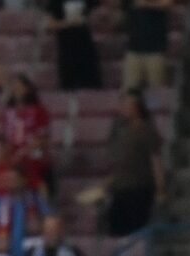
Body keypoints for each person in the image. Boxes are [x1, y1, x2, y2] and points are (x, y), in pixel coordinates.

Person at [104, 91, 165, 237]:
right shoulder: (122, 130)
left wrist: (160, 186)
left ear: (137, 107)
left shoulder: (146, 130)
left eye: (127, 104)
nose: (123, 107)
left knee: (136, 230)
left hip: (139, 188)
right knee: (117, 229)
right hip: (120, 187)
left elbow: (156, 159)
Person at [47, 0, 103, 91]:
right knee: (68, 86)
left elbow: (97, 12)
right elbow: (51, 25)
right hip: (67, 48)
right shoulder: (56, 2)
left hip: (85, 47)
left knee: (91, 86)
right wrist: (71, 23)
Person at [122, 0, 170, 91]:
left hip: (156, 50)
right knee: (129, 90)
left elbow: (167, 4)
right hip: (134, 48)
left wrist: (145, 4)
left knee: (156, 91)